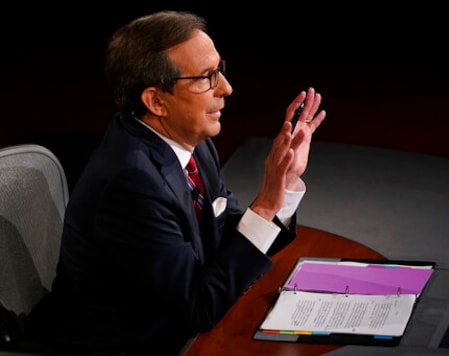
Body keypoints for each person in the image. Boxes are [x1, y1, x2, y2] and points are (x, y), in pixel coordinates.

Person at [29, 9, 325, 356]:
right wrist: (265, 205)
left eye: (220, 71)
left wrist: (285, 184)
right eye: (205, 78)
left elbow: (228, 242)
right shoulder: (131, 182)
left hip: (184, 326)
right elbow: (200, 306)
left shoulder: (192, 144)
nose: (227, 89)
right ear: (155, 101)